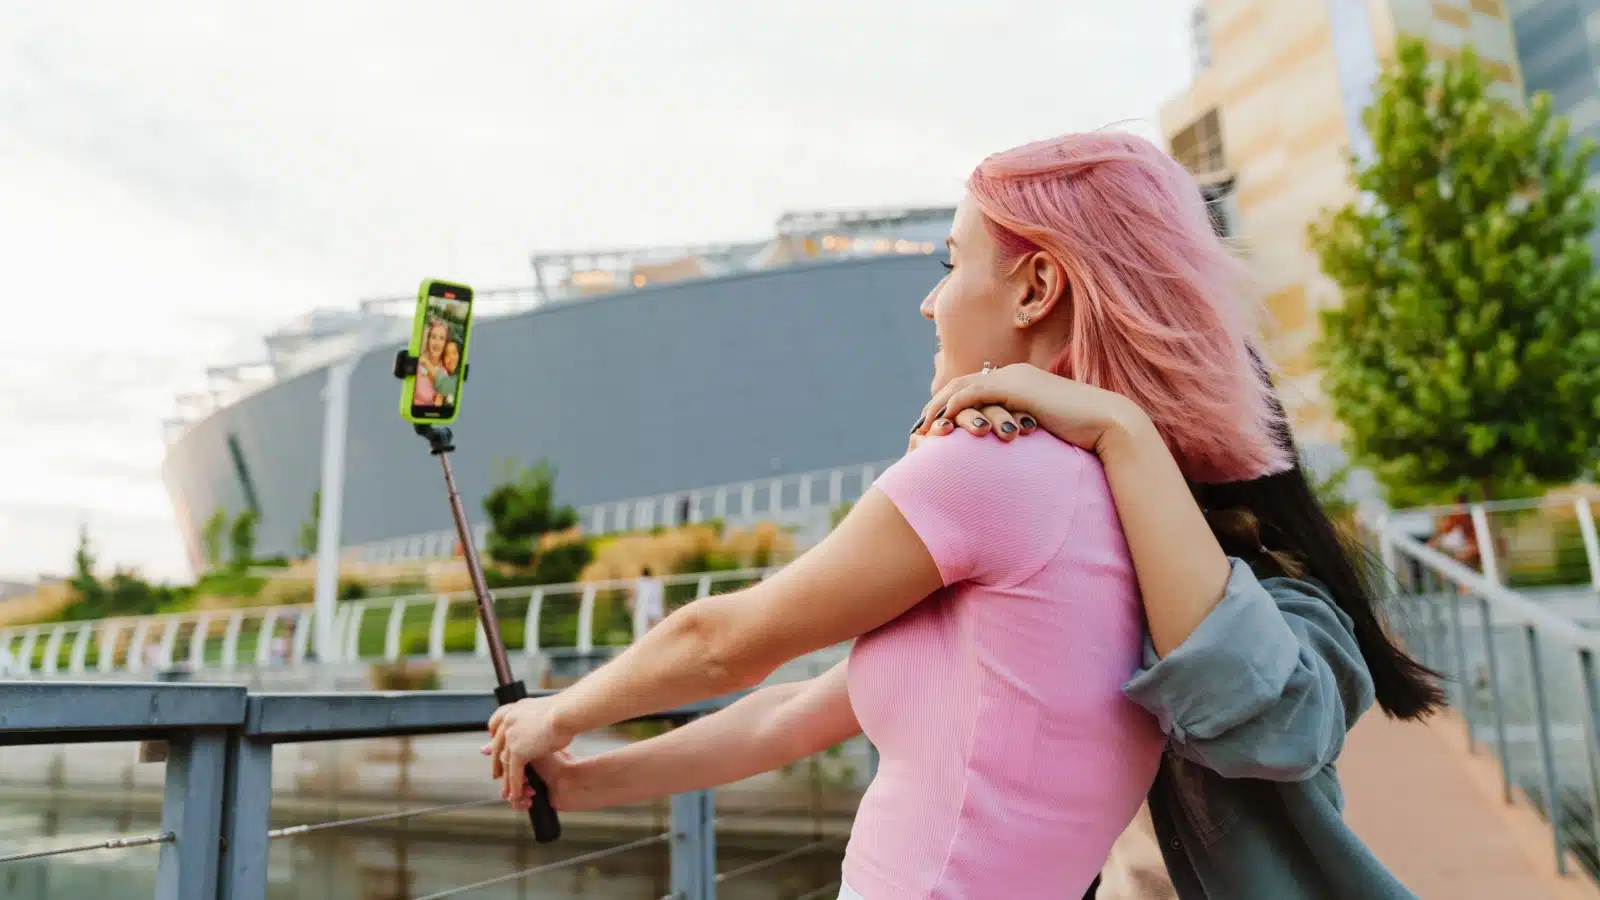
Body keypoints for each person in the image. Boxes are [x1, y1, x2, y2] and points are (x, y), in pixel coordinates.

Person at [483, 131, 1317, 898]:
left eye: (951, 264)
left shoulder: (996, 471)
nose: (930, 302)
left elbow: (720, 645)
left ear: (1035, 289)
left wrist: (549, 714)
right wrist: (583, 778)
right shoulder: (1117, 507)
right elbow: (789, 714)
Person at [907, 355, 1444, 898]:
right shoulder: (1054, 595)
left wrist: (1121, 431)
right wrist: (946, 488)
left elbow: (1282, 723)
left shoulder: (1281, 598)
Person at [631, 566, 665, 640]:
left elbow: (634, 595)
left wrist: (633, 607)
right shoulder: (657, 583)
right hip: (656, 611)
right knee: (656, 633)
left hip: (646, 611)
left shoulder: (640, 582)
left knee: (645, 634)